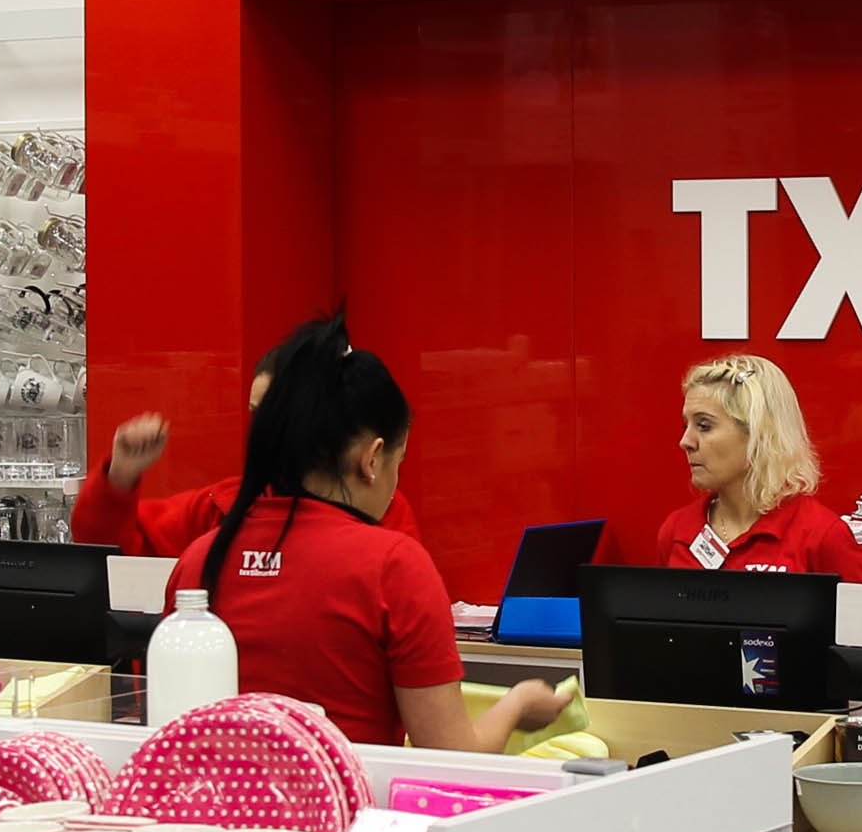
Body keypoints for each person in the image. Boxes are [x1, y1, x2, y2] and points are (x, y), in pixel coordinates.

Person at [167, 318, 571, 751]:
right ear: (373, 459)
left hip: (207, 796)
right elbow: (451, 756)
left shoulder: (198, 560)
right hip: (352, 795)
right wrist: (518, 705)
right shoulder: (394, 566)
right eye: (400, 461)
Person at [77, 341, 422, 558]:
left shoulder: (385, 510)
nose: (264, 431)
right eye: (257, 414)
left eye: (276, 416)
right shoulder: (220, 508)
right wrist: (120, 476)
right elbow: (107, 556)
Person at [656, 354, 862, 581]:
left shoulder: (823, 537)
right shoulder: (677, 531)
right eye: (686, 425)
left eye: (704, 425)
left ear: (759, 433)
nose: (685, 442)